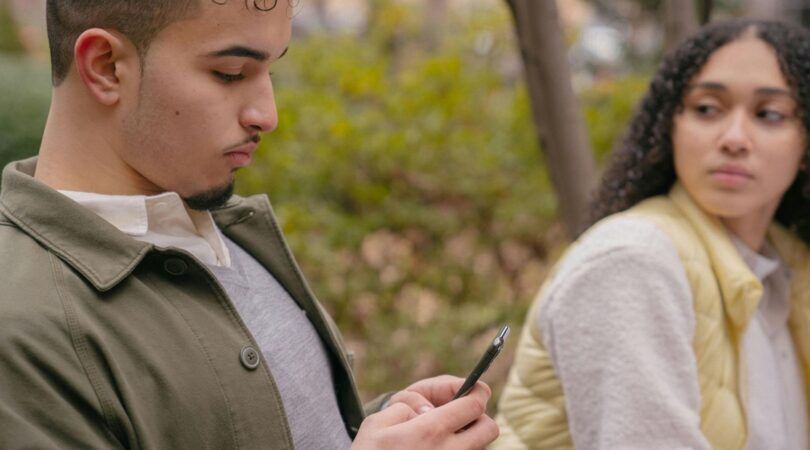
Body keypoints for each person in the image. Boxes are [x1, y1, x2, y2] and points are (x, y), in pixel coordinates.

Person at [0, 1, 499, 449]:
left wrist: (389, 427)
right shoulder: (21, 329)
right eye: (231, 73)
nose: (268, 115)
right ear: (106, 67)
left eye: (270, 72)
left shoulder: (226, 230)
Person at [494, 19, 810, 450]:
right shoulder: (633, 261)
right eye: (707, 108)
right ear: (670, 125)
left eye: (769, 114)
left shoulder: (791, 272)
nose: (734, 138)